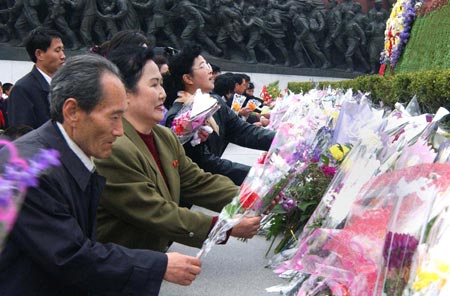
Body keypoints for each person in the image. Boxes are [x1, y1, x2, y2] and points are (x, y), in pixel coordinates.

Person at [0, 54, 201, 296]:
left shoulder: (70, 153)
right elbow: (69, 255)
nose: (119, 131)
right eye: (113, 117)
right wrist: (159, 265)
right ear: (73, 111)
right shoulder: (28, 169)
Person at [94, 45, 261, 252]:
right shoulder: (113, 147)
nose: (162, 94)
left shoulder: (164, 137)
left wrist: (253, 197)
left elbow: (197, 182)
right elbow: (155, 210)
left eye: (161, 85)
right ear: (124, 92)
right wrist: (223, 227)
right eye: (153, 85)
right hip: (122, 267)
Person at [164, 44, 275, 185]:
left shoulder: (213, 101)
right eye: (203, 66)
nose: (210, 70)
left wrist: (283, 140)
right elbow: (205, 163)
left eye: (208, 64)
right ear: (188, 78)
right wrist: (256, 174)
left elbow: (242, 131)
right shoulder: (180, 118)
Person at [7, 27, 65, 129]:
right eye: (57, 50)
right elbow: (21, 135)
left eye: (62, 50)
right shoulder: (23, 89)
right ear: (39, 54)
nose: (63, 56)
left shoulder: (64, 85)